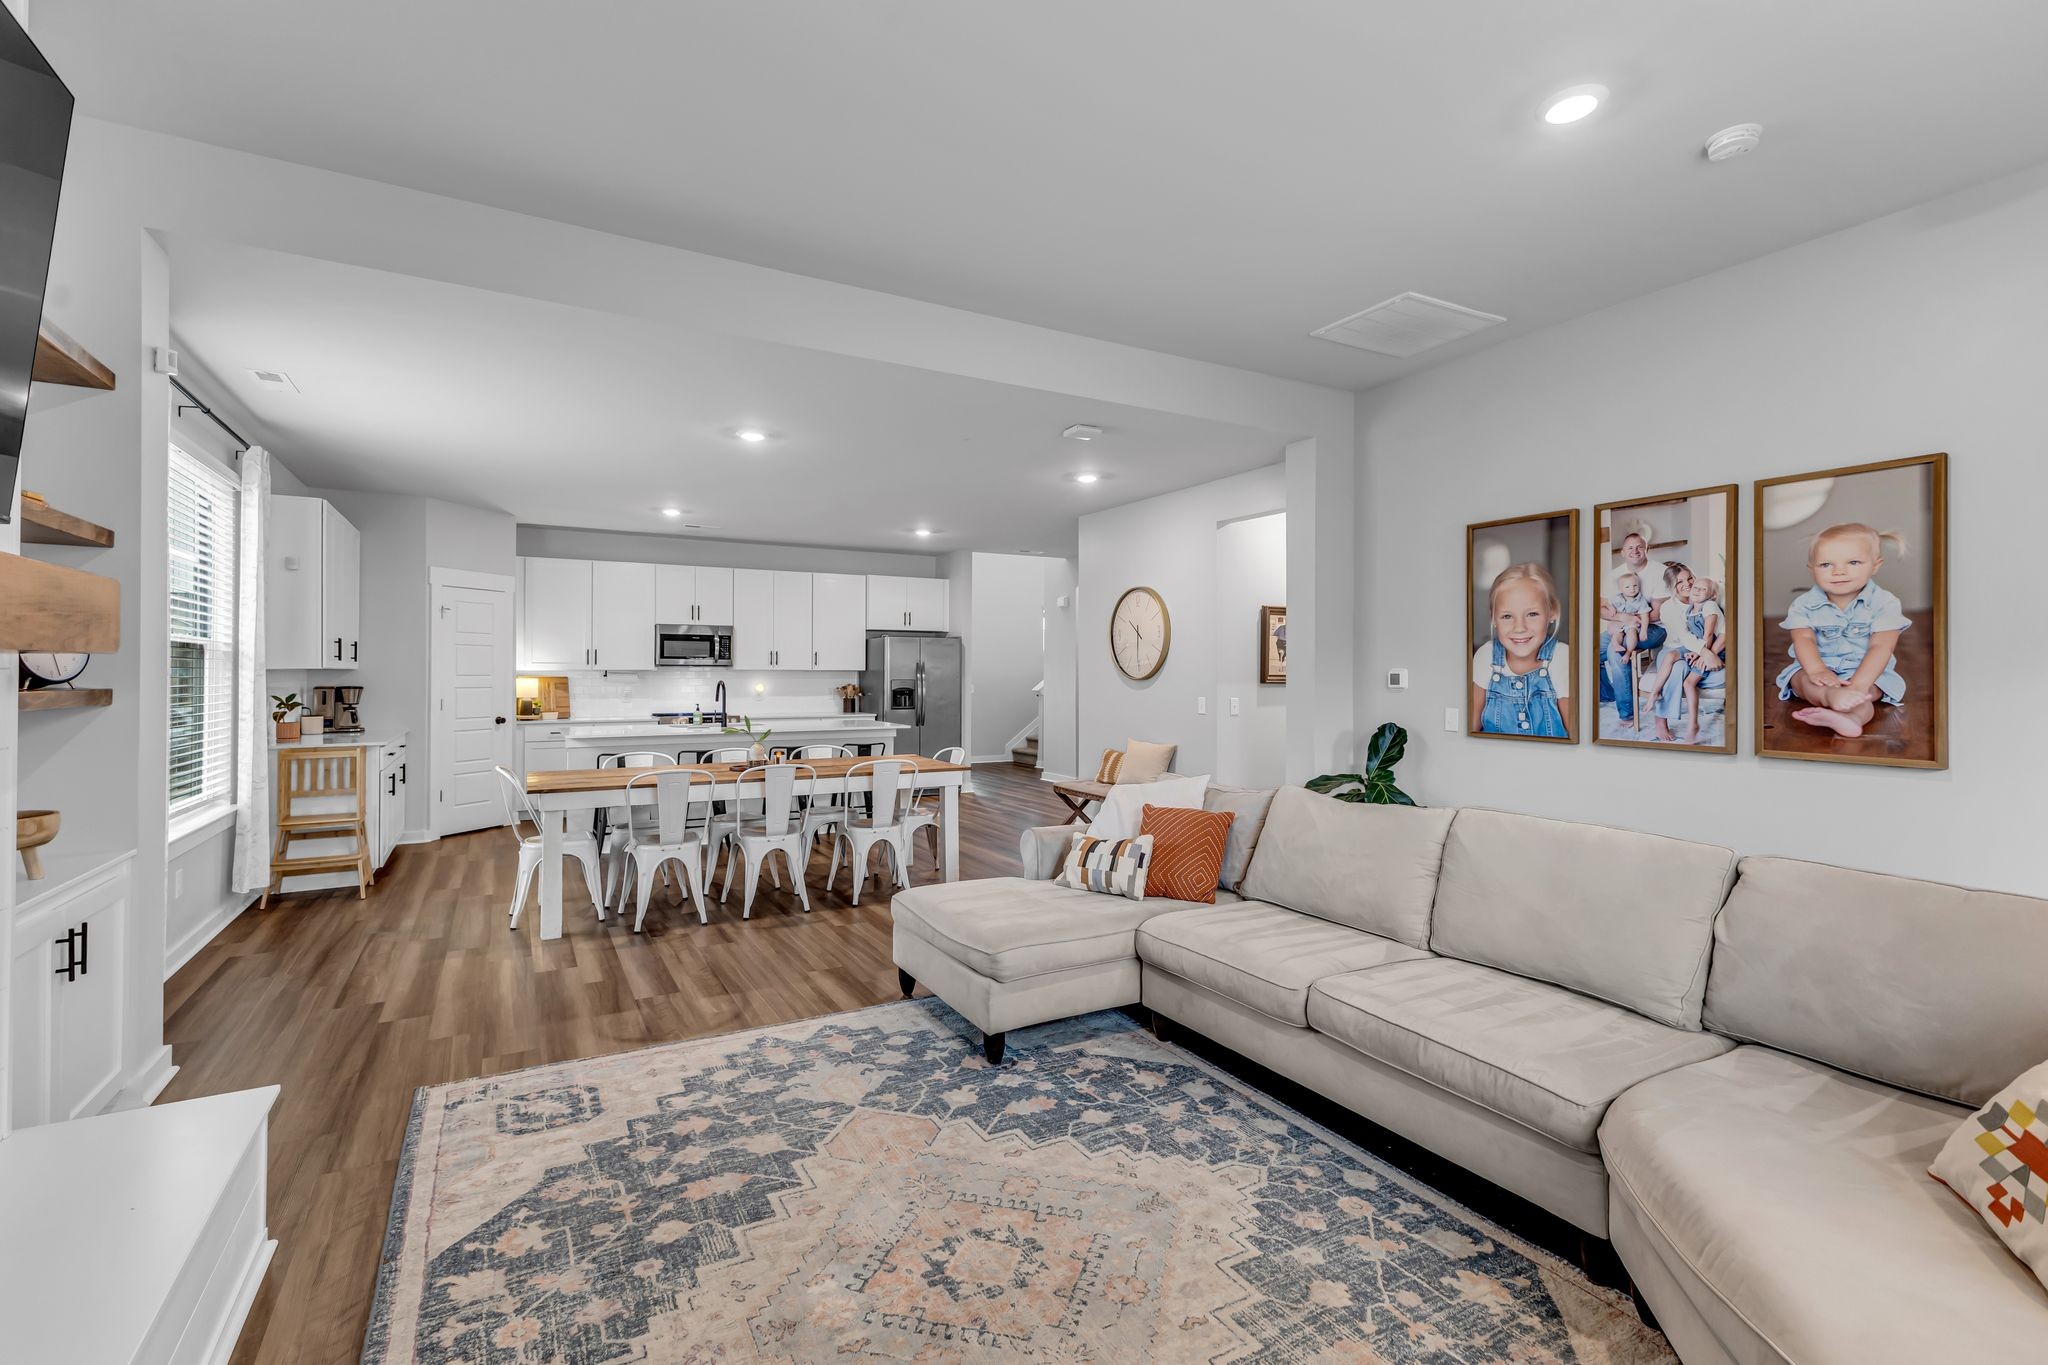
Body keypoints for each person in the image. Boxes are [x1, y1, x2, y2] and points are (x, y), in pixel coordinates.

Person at [1775, 523, 1909, 739]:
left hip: (1866, 672)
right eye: (1826, 564)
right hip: (1818, 669)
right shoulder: (1803, 604)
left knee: (1864, 695)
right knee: (1801, 681)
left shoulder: (1884, 603)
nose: (1839, 571)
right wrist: (1817, 670)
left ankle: (1851, 720)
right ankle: (1831, 696)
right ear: (1812, 569)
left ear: (1875, 565)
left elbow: (1881, 646)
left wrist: (1857, 686)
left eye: (1853, 562)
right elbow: (1804, 639)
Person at [1471, 562, 1570, 738]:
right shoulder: (1486, 655)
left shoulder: (1562, 657)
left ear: (1552, 611)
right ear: (1493, 617)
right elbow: (1472, 724)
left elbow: (1574, 731)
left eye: (1532, 614)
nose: (1519, 627)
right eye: (1507, 616)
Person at [1599, 531, 1669, 725]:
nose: (1635, 551)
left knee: (1615, 652)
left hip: (1654, 628)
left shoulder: (1660, 572)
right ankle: (1609, 695)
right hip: (1621, 626)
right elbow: (1601, 608)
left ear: (1647, 549)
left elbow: (1658, 613)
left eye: (1640, 547)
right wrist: (1622, 617)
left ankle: (1627, 713)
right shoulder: (1614, 575)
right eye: (1630, 547)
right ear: (1622, 552)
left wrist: (1631, 620)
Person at [1677, 573, 1726, 743]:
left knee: (1688, 683)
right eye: (1696, 587)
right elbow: (1692, 636)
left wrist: (1702, 656)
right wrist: (1696, 653)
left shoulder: (1710, 606)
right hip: (1704, 649)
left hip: (1714, 651)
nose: (1697, 590)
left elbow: (1708, 634)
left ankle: (1693, 725)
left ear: (1712, 595)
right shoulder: (1690, 611)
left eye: (1703, 589)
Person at [1606, 570, 1653, 656]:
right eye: (1627, 587)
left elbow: (1645, 616)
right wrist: (1611, 607)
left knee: (1632, 633)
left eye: (1635, 586)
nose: (1632, 589)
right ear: (1621, 589)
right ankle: (1616, 645)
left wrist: (1643, 630)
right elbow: (1608, 603)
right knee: (1616, 634)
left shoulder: (1640, 600)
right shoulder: (1617, 598)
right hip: (1620, 623)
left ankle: (1628, 652)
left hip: (1632, 624)